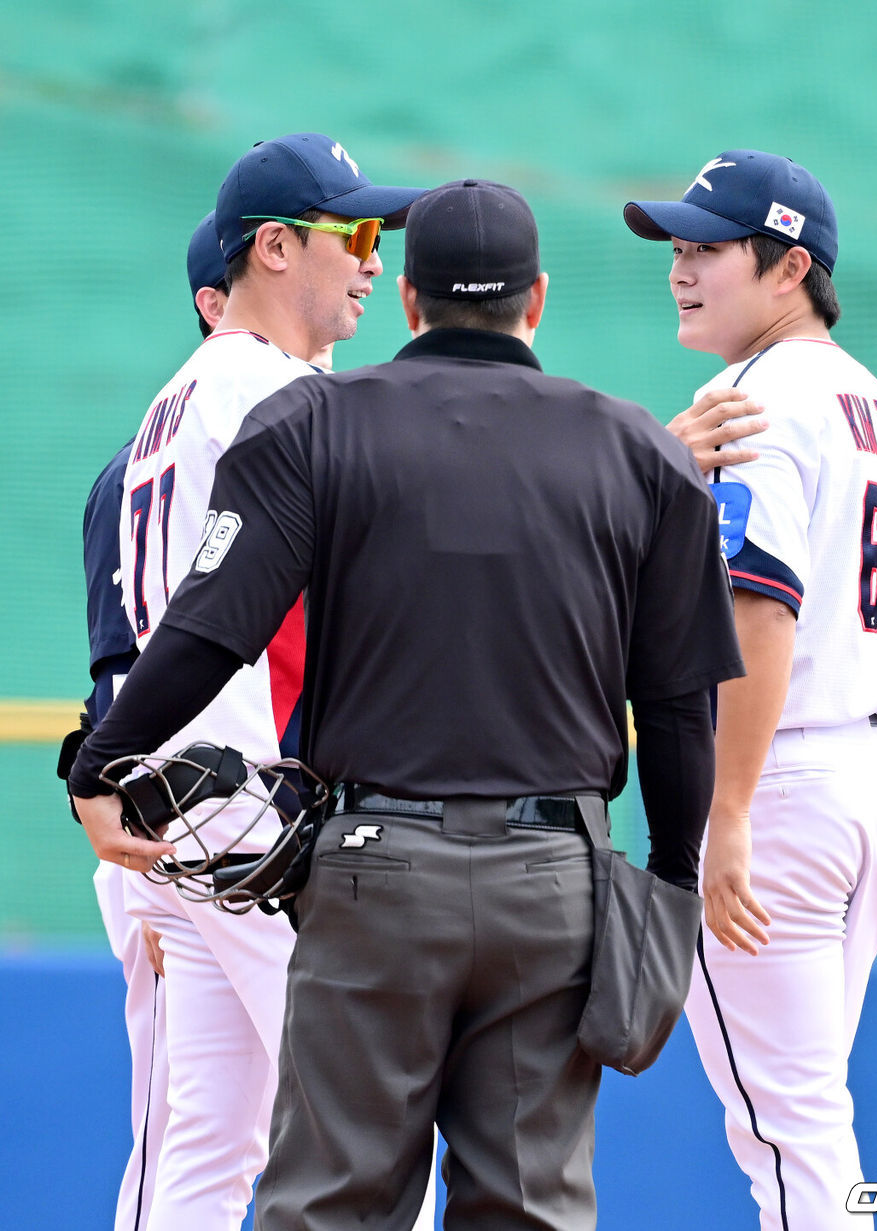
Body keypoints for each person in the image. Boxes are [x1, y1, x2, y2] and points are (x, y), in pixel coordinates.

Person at [69, 179, 744, 1231]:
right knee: (528, 1207)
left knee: (330, 1200)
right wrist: (673, 880)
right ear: (537, 299)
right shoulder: (642, 452)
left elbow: (210, 630)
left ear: (411, 300)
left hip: (372, 868)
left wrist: (99, 760)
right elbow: (675, 709)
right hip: (553, 876)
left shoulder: (314, 419)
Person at [79, 134, 425, 1231]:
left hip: (175, 804)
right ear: (274, 247)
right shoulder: (271, 391)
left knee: (207, 1148)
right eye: (353, 234)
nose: (373, 260)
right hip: (252, 810)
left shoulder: (182, 396)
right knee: (374, 1134)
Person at [624, 149, 877, 1229]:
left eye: (708, 248)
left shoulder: (751, 398)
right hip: (867, 785)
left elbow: (759, 609)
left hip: (780, 786)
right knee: (806, 1123)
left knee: (787, 1134)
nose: (681, 268)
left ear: (791, 267)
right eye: (677, 247)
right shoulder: (870, 398)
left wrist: (728, 812)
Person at [58, 210, 230, 1231]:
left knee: (205, 1146)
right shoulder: (155, 464)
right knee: (190, 1145)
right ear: (215, 300)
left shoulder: (238, 434)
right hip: (174, 832)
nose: (364, 265)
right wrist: (162, 885)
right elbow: (122, 676)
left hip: (205, 831)